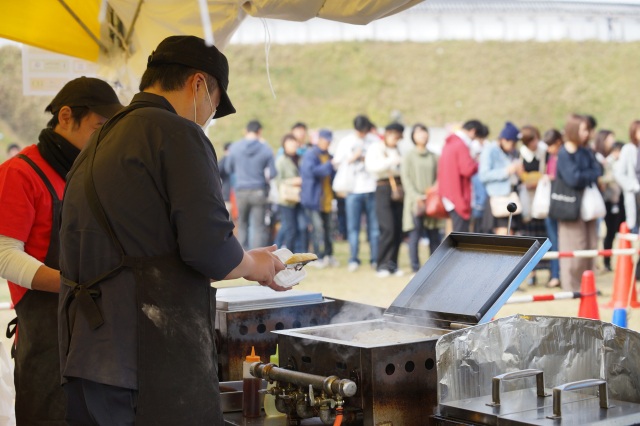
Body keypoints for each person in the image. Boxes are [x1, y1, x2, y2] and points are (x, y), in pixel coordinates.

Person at [57, 36, 287, 425]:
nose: (208, 117)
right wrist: (254, 264)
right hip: (145, 357)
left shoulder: (101, 138)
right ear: (198, 83)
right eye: (214, 104)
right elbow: (210, 251)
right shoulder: (178, 134)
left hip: (85, 353)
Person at [0, 76, 123, 425]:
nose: (103, 138)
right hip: (46, 336)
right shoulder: (20, 174)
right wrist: (74, 285)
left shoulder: (89, 174)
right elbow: (4, 254)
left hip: (95, 333)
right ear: (66, 116)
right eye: (99, 126)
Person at [556, 114, 602, 292]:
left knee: (590, 245)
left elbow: (597, 170)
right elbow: (573, 178)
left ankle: (588, 284)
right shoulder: (564, 153)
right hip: (570, 207)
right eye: (584, 129)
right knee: (574, 247)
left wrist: (587, 175)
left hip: (589, 208)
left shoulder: (585, 151)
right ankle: (571, 286)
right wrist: (588, 175)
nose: (587, 133)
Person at [333, 115, 380, 272]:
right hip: (353, 190)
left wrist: (367, 157)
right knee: (353, 227)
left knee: (374, 227)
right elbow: (336, 162)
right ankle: (353, 258)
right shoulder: (346, 141)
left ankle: (375, 258)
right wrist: (353, 157)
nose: (363, 134)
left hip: (371, 188)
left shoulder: (374, 141)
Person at [225, 119, 277, 249]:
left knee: (242, 224)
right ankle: (257, 256)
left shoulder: (235, 148)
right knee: (259, 226)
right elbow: (273, 172)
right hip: (259, 190)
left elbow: (228, 168)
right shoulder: (265, 149)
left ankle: (242, 254)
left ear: (246, 131)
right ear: (260, 132)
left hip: (241, 190)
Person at [365, 122, 405, 277]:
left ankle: (393, 263)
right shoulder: (376, 148)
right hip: (382, 188)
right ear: (387, 134)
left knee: (397, 228)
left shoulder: (398, 149)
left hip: (398, 189)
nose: (396, 139)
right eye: (395, 136)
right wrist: (390, 161)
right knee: (387, 227)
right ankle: (381, 263)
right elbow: (372, 167)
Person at [401, 123, 441, 273]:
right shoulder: (409, 156)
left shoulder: (434, 156)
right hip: (414, 202)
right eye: (419, 133)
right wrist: (416, 196)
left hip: (431, 201)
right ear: (413, 136)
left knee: (434, 234)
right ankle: (415, 268)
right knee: (414, 235)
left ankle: (434, 268)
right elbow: (406, 179)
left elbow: (439, 178)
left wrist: (431, 193)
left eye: (425, 132)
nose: (423, 136)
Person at [300, 129, 338, 267]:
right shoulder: (310, 155)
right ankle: (316, 257)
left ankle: (329, 254)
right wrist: (330, 164)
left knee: (329, 228)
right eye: (325, 141)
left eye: (329, 142)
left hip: (327, 199)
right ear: (319, 140)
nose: (327, 144)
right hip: (313, 200)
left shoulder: (329, 155)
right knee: (317, 229)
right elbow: (313, 172)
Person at [438, 120, 482, 232]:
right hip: (458, 195)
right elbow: (467, 169)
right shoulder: (461, 145)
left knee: (455, 229)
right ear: (473, 132)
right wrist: (478, 164)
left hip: (449, 194)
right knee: (461, 233)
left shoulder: (450, 143)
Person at [518, 125, 549, 285]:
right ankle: (531, 274)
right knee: (529, 238)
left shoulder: (544, 151)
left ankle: (549, 270)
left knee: (544, 236)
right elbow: (520, 176)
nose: (534, 143)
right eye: (530, 140)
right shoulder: (521, 154)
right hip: (528, 202)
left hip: (541, 200)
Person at [479, 122, 522, 235]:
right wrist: (506, 171)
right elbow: (483, 175)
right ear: (504, 140)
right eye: (512, 144)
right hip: (497, 198)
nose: (513, 147)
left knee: (510, 233)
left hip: (511, 196)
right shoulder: (490, 150)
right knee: (504, 234)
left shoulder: (513, 153)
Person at [275, 133, 307, 253]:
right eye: (290, 143)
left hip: (300, 198)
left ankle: (303, 253)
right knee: (290, 229)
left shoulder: (301, 158)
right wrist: (292, 181)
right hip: (287, 200)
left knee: (303, 227)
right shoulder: (281, 161)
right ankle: (288, 255)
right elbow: (277, 181)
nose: (293, 145)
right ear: (284, 145)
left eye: (294, 143)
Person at [542, 129, 564, 288]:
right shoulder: (552, 156)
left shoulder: (563, 156)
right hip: (551, 204)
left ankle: (558, 274)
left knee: (560, 242)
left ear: (558, 142)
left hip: (561, 204)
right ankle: (555, 274)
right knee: (553, 241)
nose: (548, 149)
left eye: (550, 145)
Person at [601, 140, 625, 272]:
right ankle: (606, 261)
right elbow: (603, 179)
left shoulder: (623, 162)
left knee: (623, 232)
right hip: (609, 201)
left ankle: (622, 261)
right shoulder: (607, 162)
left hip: (621, 201)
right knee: (610, 233)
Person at [615, 120, 640, 233]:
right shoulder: (628, 149)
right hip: (634, 194)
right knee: (634, 227)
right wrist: (633, 186)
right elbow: (619, 173)